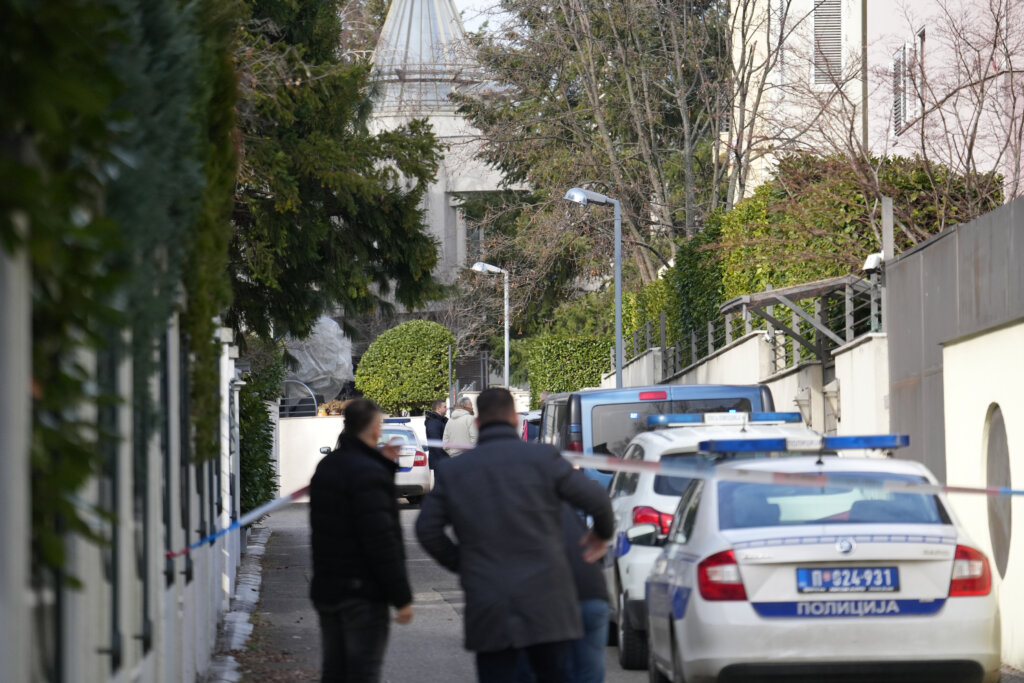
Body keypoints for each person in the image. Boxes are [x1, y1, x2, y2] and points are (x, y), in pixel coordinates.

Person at [416, 388, 615, 683]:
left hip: (490, 606)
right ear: (514, 419)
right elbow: (597, 500)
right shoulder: (543, 458)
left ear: (478, 423)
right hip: (547, 604)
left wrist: (463, 562)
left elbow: (426, 529)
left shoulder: (456, 471)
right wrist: (601, 536)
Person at [309, 398, 414, 683]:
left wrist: (384, 465)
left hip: (328, 588)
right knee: (362, 673)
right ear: (375, 428)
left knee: (334, 671)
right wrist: (402, 598)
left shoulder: (327, 466)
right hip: (362, 594)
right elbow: (381, 540)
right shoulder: (369, 473)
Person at [424, 398, 449, 469]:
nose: (447, 409)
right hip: (438, 461)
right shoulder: (433, 423)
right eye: (444, 407)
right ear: (438, 409)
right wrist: (445, 460)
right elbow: (436, 444)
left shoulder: (440, 421)